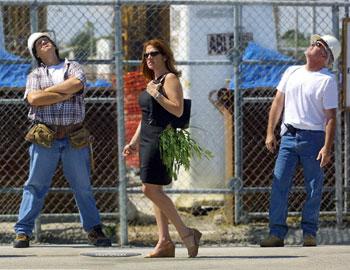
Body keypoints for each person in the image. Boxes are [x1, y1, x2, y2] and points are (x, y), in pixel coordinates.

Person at [13, 32, 111, 248]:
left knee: (82, 185)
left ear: (54, 45)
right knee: (35, 185)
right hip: (45, 136)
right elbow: (34, 99)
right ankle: (23, 232)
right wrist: (64, 93)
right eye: (39, 43)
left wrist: (49, 94)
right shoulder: (35, 75)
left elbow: (76, 84)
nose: (44, 42)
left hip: (74, 135)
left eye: (46, 40)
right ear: (36, 53)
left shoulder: (72, 67)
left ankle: (94, 229)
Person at [123, 39, 202, 258]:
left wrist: (156, 94)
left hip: (160, 138)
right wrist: (134, 142)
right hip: (148, 137)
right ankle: (165, 242)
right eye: (146, 55)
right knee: (155, 190)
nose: (149, 58)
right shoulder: (153, 80)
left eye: (154, 54)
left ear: (164, 56)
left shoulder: (170, 79)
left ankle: (186, 233)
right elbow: (145, 117)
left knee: (149, 189)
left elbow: (177, 110)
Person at [260, 34, 341, 247]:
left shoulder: (327, 80)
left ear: (325, 56)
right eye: (315, 42)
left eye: (318, 44)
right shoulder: (291, 71)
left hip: (313, 139)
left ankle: (309, 233)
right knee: (279, 184)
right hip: (288, 136)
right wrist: (271, 132)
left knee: (314, 187)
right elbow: (278, 103)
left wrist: (326, 147)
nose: (312, 45)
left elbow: (331, 117)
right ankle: (276, 234)